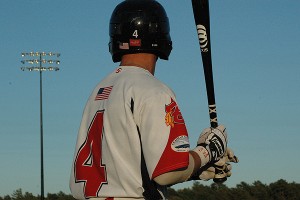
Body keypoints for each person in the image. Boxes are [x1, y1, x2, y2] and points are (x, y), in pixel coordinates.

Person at [70, 0, 238, 199]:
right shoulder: (153, 91)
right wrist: (208, 151)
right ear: (161, 35)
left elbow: (128, 168)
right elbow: (166, 173)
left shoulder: (99, 91)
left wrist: (192, 170)